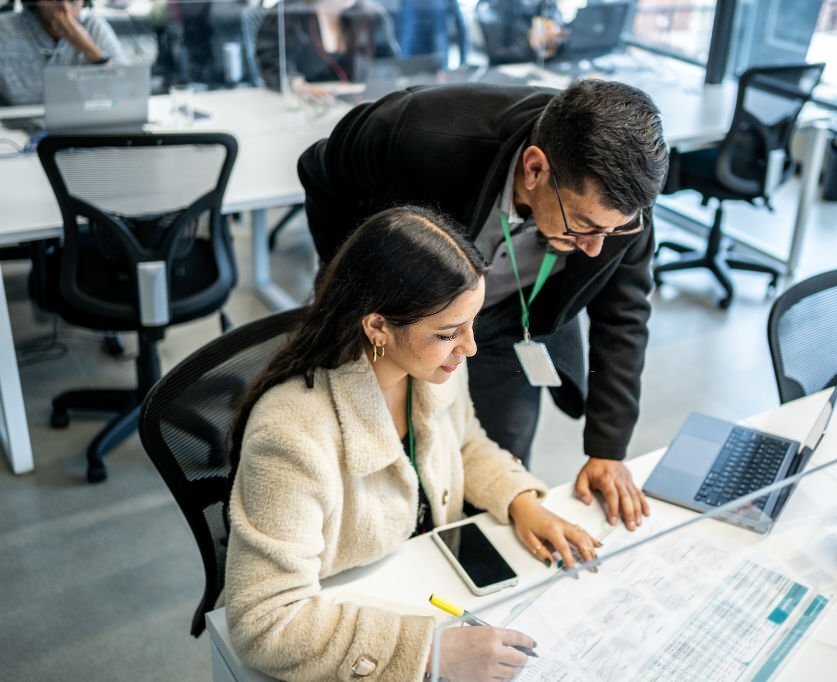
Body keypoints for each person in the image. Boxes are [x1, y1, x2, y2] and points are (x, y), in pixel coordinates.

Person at [224, 205, 601, 680]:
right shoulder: (291, 434)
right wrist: (429, 652)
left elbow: (465, 444)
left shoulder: (433, 371)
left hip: (421, 576)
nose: (470, 348)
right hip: (346, 614)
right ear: (378, 326)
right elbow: (265, 622)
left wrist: (522, 500)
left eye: (471, 324)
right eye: (447, 333)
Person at [298, 79, 670, 532]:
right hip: (400, 318)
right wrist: (358, 286)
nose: (595, 249)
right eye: (583, 226)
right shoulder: (425, 134)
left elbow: (624, 317)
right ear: (535, 169)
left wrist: (607, 450)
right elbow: (321, 169)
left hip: (515, 320)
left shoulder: (620, 215)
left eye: (612, 232)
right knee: (370, 458)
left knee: (490, 463)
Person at [255, 0, 399, 98]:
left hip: (357, 105)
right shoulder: (290, 12)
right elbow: (270, 59)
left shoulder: (372, 15)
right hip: (304, 106)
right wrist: (297, 86)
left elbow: (389, 67)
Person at [0, 0, 127, 105]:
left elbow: (128, 86)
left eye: (73, 1)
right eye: (55, 0)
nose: (65, 9)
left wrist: (89, 49)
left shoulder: (93, 25)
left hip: (81, 124)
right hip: (16, 127)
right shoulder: (5, 29)